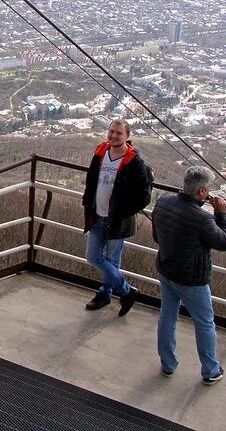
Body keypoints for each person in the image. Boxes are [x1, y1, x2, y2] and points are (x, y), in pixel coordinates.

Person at [152, 166, 226, 386]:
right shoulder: (203, 219)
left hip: (166, 270)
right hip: (192, 279)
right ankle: (210, 370)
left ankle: (167, 363)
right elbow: (223, 242)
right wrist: (221, 214)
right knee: (205, 323)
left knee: (167, 316)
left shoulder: (163, 203)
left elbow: (157, 237)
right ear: (202, 191)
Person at [82, 118, 151, 316]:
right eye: (112, 131)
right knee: (93, 256)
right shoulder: (100, 152)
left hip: (116, 219)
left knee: (112, 259)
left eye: (119, 133)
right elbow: (92, 180)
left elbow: (143, 196)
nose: (114, 135)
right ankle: (126, 291)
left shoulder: (134, 162)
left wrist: (123, 212)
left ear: (127, 136)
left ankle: (105, 293)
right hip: (96, 213)